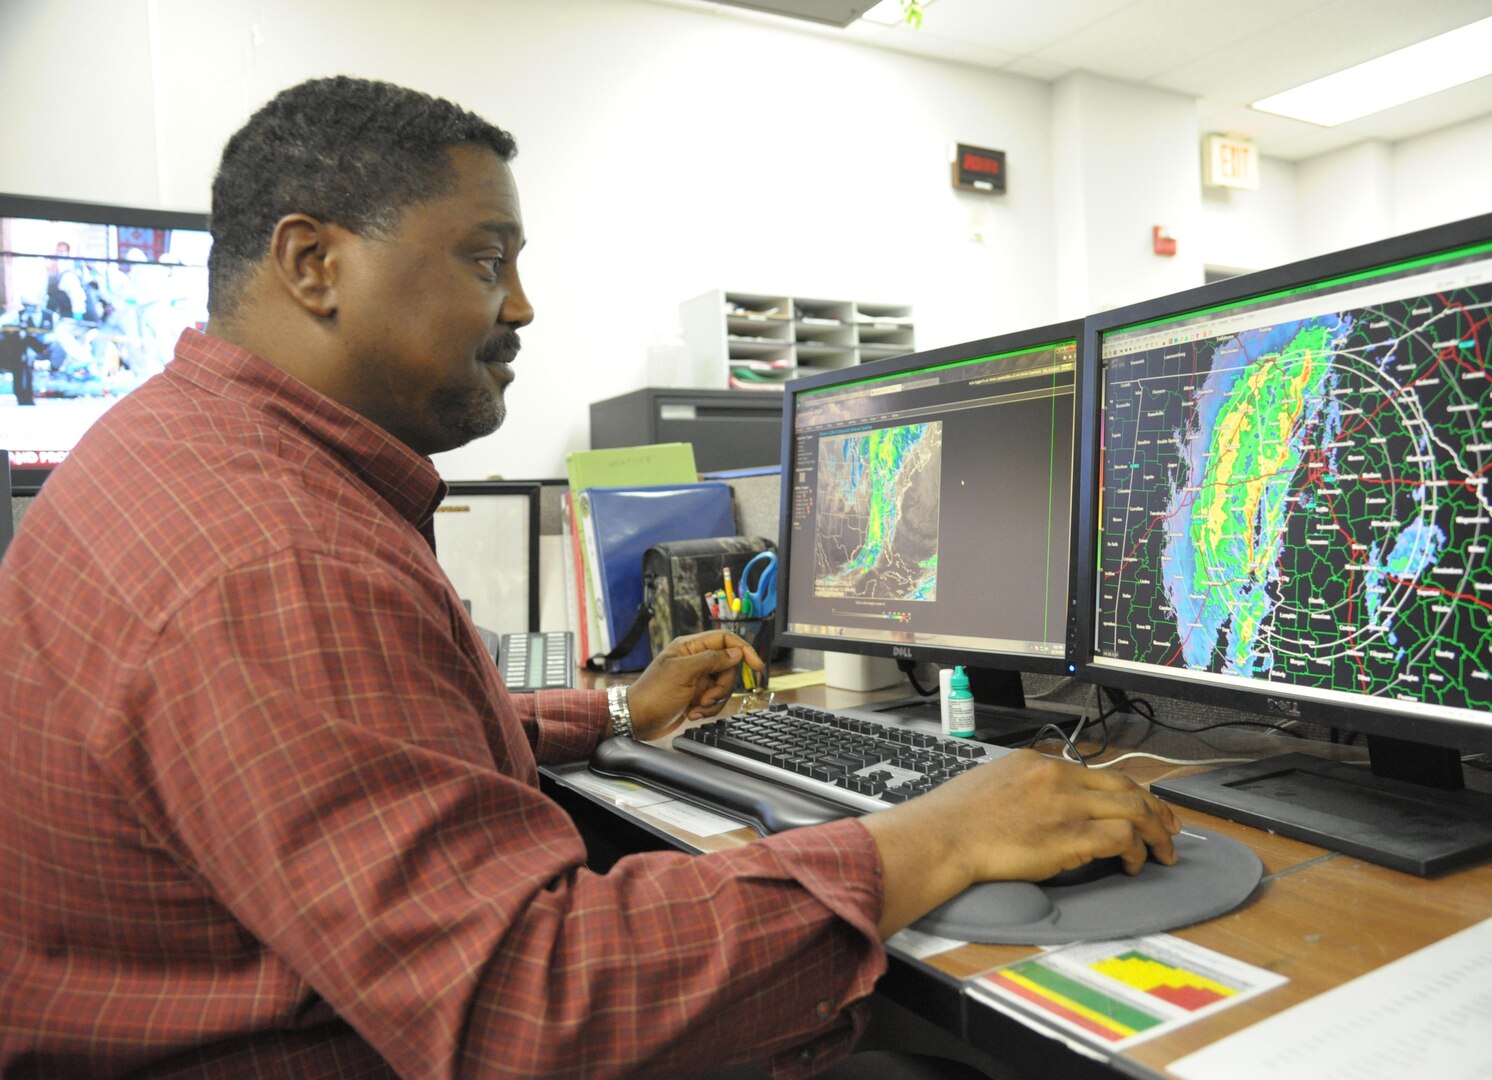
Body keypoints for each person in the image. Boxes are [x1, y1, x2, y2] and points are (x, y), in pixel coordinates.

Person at [0, 76, 1179, 1079]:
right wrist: (936, 841)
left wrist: (616, 711)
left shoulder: (191, 455)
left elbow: (376, 749)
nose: (521, 306)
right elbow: (527, 1003)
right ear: (314, 262)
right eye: (484, 259)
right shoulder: (275, 550)